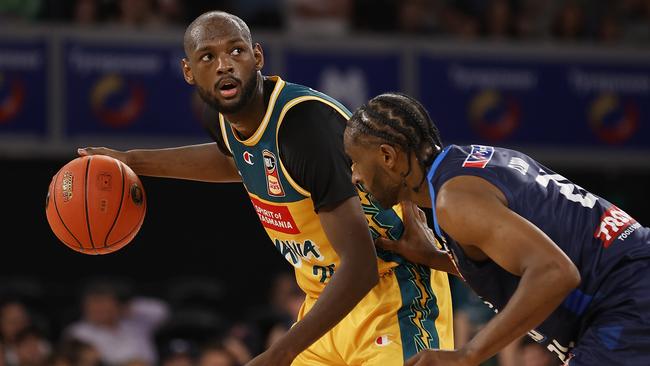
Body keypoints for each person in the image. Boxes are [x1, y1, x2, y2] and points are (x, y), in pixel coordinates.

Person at [78, 10, 453, 366]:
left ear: (257, 56)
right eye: (208, 57)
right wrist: (132, 162)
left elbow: (361, 267)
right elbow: (235, 159)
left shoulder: (303, 129)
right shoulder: (224, 118)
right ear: (189, 72)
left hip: (392, 293)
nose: (224, 64)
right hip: (325, 302)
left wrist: (279, 352)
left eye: (235, 50)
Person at [342, 92, 650, 365]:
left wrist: (468, 353)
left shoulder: (454, 202)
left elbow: (555, 272)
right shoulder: (469, 164)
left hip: (625, 302)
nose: (354, 175)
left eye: (355, 161)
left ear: (387, 156)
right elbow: (515, 257)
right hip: (629, 283)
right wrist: (435, 257)